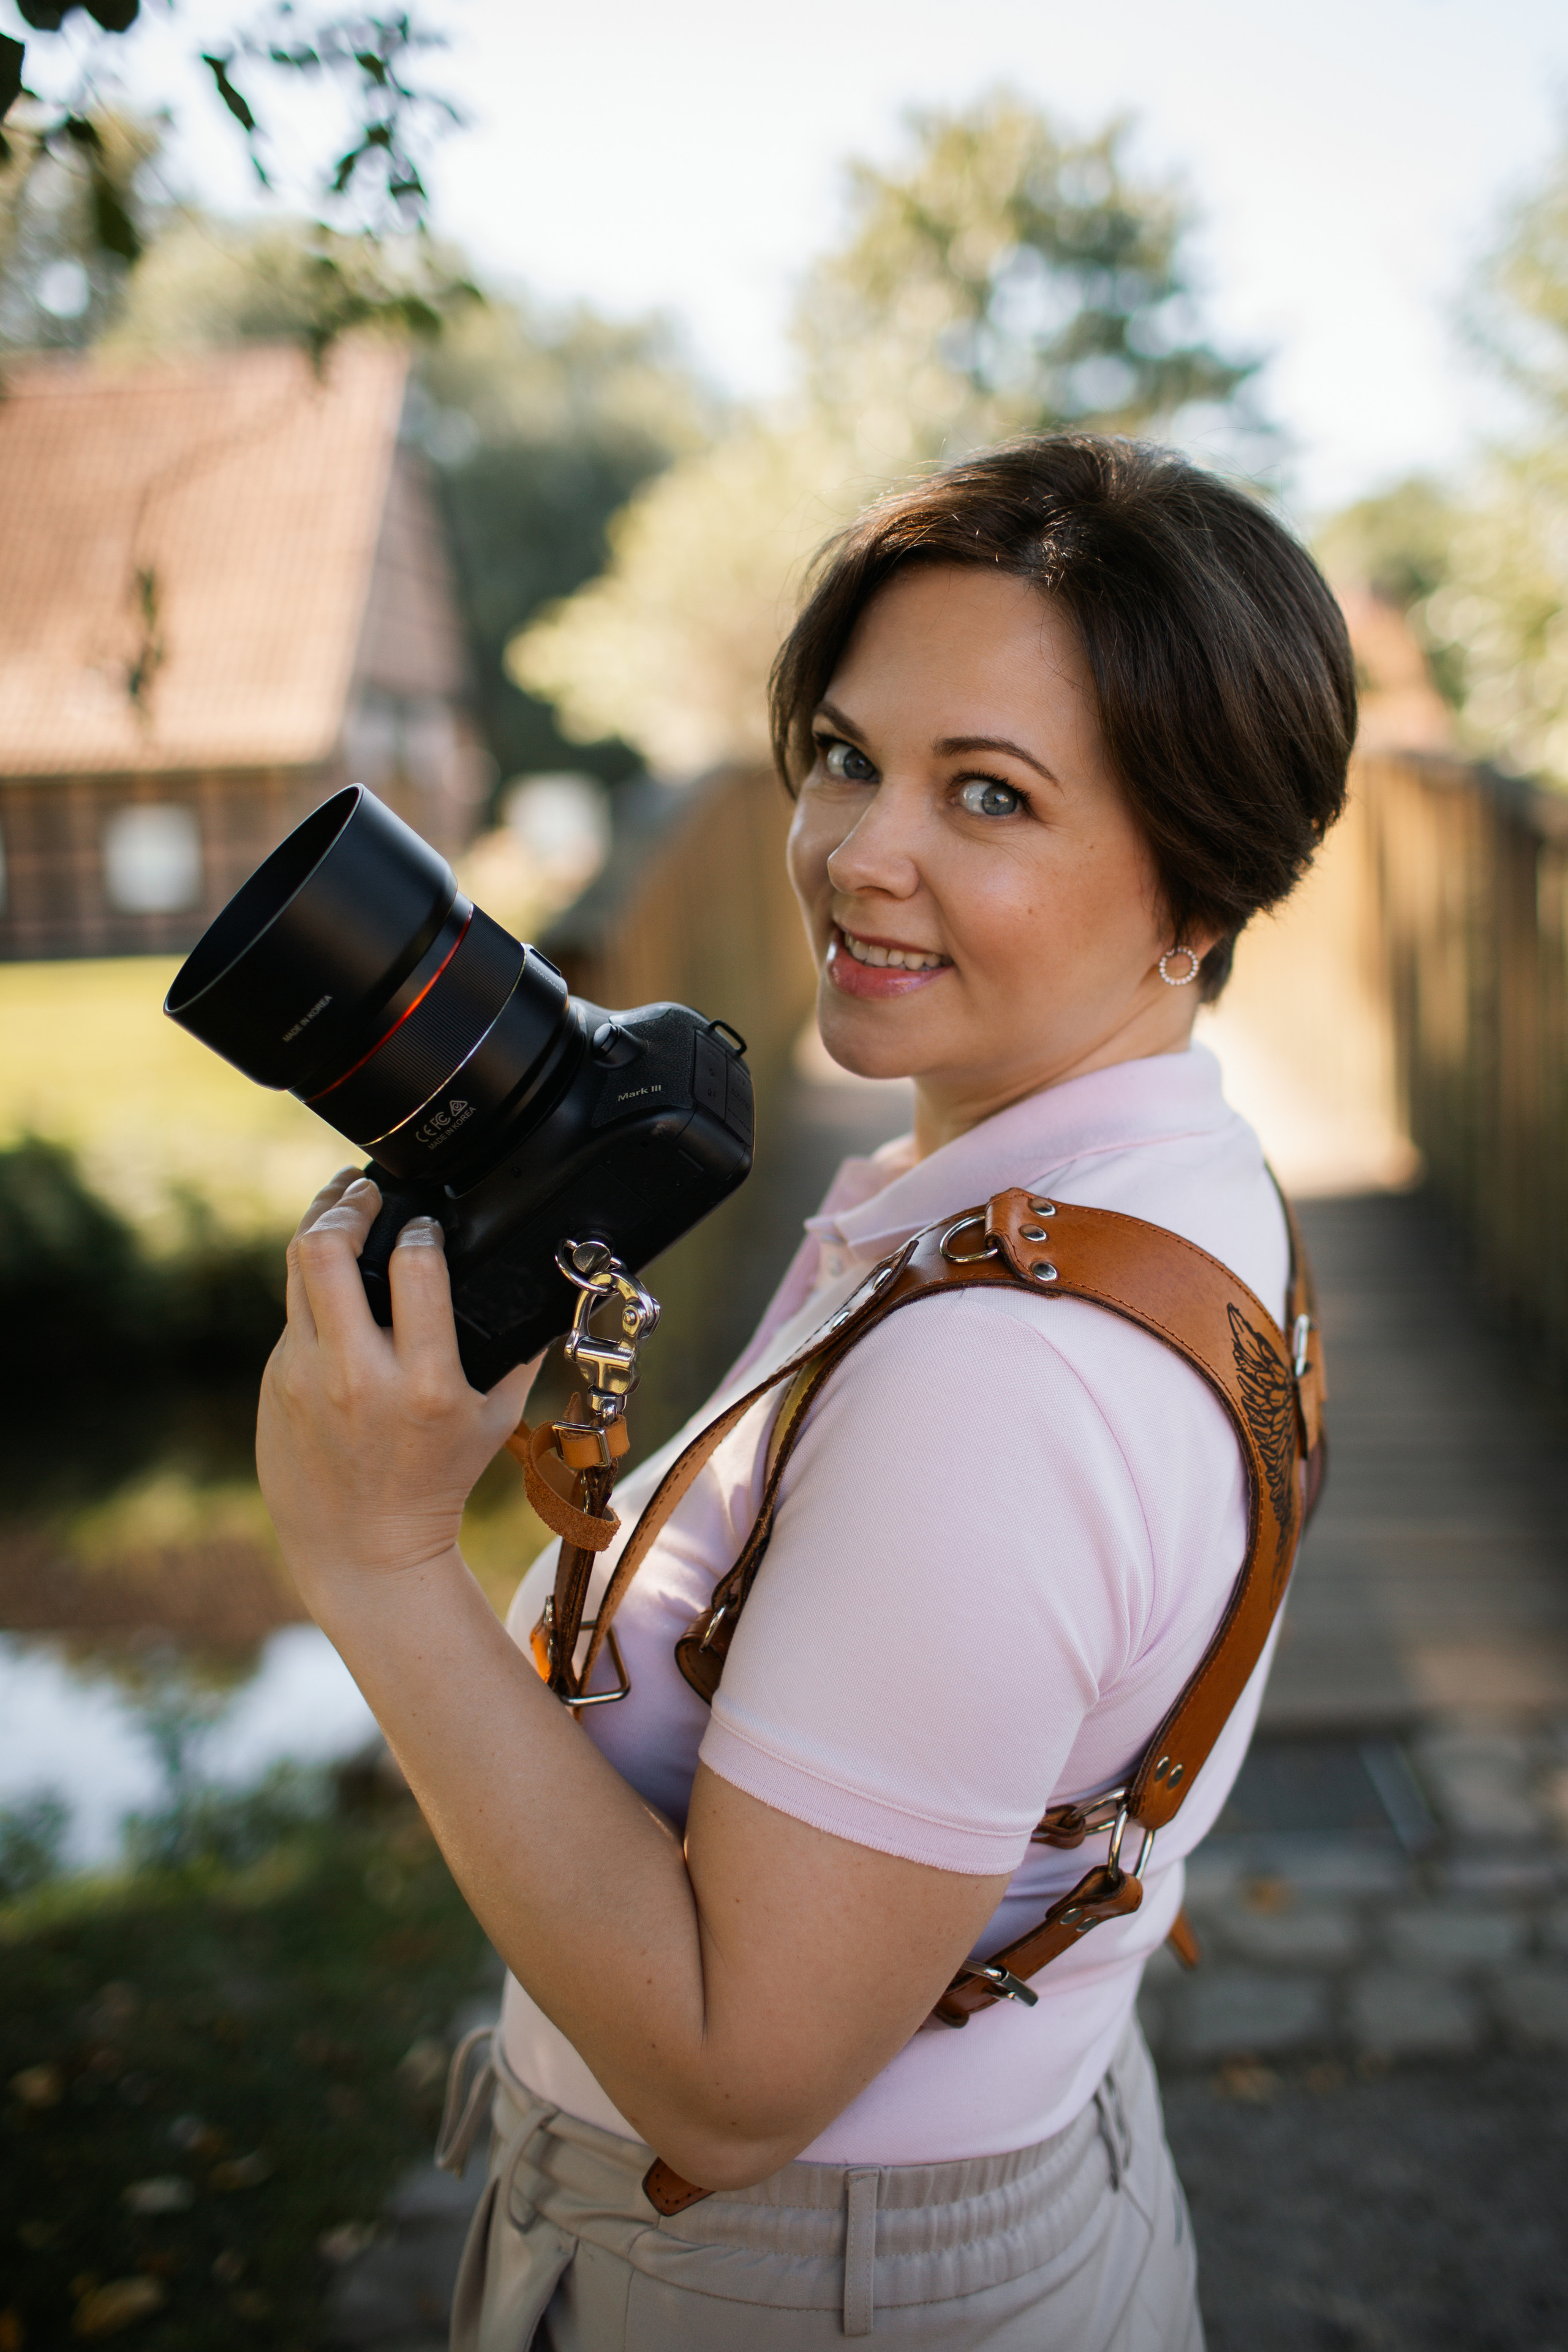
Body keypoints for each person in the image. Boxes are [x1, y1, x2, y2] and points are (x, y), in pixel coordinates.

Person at [258, 434, 1354, 2350]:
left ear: (1200, 887)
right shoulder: (1162, 1189)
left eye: (989, 796)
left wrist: (377, 1564)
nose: (861, 853)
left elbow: (732, 2082)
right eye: (847, 755)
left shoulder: (1004, 1386)